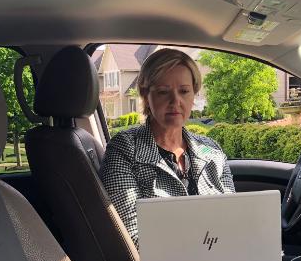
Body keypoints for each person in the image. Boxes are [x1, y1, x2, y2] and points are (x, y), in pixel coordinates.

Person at [100, 48, 235, 246]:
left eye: (184, 91)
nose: (175, 102)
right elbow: (133, 238)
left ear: (194, 94)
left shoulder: (212, 150)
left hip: (225, 260)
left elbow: (234, 220)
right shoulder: (124, 149)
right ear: (146, 96)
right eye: (163, 92)